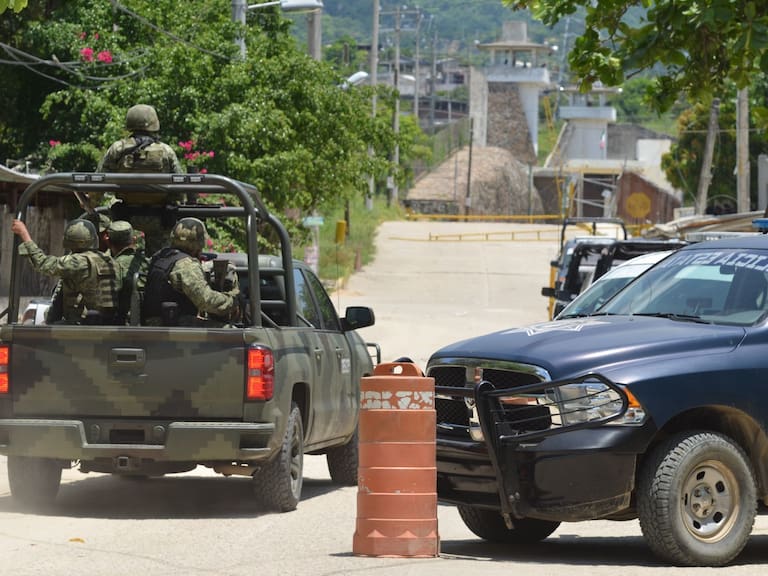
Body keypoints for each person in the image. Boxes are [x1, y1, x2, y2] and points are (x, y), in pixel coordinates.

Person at [11, 218, 121, 325]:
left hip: (80, 325)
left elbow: (43, 264)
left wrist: (24, 233)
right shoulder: (109, 260)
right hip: (108, 322)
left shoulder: (77, 261)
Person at [142, 218, 239, 326]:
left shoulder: (160, 256)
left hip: (153, 324)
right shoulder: (186, 264)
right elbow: (206, 300)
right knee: (230, 331)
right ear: (199, 242)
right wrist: (232, 301)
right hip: (174, 326)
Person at [97, 104, 183, 173]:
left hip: (125, 195)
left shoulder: (117, 148)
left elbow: (100, 178)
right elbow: (179, 182)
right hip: (158, 194)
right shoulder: (166, 150)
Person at [106, 220, 149, 324]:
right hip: (148, 324)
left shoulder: (110, 266)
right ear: (133, 240)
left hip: (121, 326)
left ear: (108, 241)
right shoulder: (147, 262)